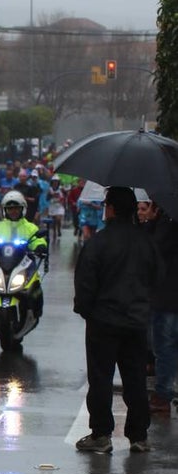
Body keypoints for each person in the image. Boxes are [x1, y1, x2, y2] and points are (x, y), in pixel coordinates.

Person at [73, 186, 157, 454]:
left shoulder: (98, 242)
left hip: (103, 323)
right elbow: (156, 278)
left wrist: (88, 312)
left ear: (110, 208)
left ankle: (101, 434)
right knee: (135, 380)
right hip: (135, 323)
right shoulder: (146, 242)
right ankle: (139, 435)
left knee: (101, 379)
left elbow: (85, 284)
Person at [143, 200, 178, 414]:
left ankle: (163, 395)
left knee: (165, 346)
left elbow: (155, 248)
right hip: (168, 293)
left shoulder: (169, 218)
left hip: (169, 295)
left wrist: (151, 222)